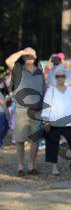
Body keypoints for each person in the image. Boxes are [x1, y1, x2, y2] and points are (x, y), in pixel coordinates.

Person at [6, 47, 46, 176]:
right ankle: (20, 167)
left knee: (35, 140)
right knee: (20, 140)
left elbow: (43, 89)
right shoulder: (18, 69)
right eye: (27, 56)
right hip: (21, 111)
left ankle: (31, 166)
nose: (29, 57)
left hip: (37, 111)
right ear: (23, 57)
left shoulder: (40, 71)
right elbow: (8, 61)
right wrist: (23, 52)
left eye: (32, 55)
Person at [41, 66, 71, 175]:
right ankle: (54, 167)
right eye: (58, 76)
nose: (60, 78)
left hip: (68, 123)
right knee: (52, 145)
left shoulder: (70, 91)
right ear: (55, 78)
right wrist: (46, 121)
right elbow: (46, 106)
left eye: (62, 76)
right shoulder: (50, 91)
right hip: (53, 123)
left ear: (65, 77)